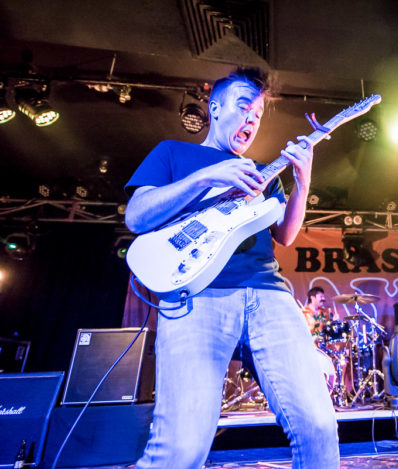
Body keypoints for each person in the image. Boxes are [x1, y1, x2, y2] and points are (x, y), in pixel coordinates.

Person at [124, 68, 340, 468]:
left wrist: (303, 181)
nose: (251, 120)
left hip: (270, 295)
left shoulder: (261, 172)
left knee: (319, 426)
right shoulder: (172, 152)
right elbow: (137, 217)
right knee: (182, 449)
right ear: (215, 108)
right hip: (196, 298)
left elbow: (286, 235)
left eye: (257, 115)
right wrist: (207, 176)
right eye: (243, 107)